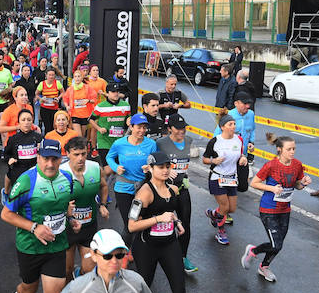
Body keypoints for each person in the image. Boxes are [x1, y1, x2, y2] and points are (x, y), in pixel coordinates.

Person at [1, 138, 80, 293]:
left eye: (55, 159)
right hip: (30, 247)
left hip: (56, 246)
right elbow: (6, 214)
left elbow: (64, 207)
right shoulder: (27, 181)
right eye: (45, 158)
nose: (50, 164)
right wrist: (34, 227)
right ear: (38, 158)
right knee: (29, 289)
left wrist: (70, 219)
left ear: (61, 159)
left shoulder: (67, 178)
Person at [128, 151, 192, 293]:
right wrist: (158, 219)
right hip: (147, 247)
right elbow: (131, 226)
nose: (165, 170)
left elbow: (169, 212)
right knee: (143, 292)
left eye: (168, 167)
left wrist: (177, 221)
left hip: (169, 244)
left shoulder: (173, 189)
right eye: (161, 167)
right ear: (151, 169)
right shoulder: (144, 193)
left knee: (179, 288)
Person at [240, 134, 312, 283]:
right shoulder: (271, 165)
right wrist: (272, 188)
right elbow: (254, 183)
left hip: (285, 210)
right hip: (268, 209)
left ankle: (264, 267)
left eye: (294, 149)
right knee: (275, 244)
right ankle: (253, 251)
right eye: (289, 149)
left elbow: (296, 185)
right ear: (279, 150)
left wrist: (303, 183)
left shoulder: (297, 165)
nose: (292, 152)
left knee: (278, 245)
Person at [105, 113, 157, 246]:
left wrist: (150, 168)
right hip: (124, 188)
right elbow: (109, 157)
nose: (142, 130)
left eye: (144, 127)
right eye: (139, 127)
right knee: (130, 222)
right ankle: (124, 252)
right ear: (131, 126)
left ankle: (137, 249)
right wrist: (116, 167)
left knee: (140, 220)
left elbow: (155, 162)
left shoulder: (151, 144)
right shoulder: (119, 143)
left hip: (143, 189)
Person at [155, 114, 198, 274]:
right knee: (162, 223)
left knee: (185, 223)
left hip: (182, 188)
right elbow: (152, 161)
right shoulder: (161, 143)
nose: (182, 131)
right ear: (169, 129)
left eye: (183, 128)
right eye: (178, 128)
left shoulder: (189, 141)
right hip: (164, 189)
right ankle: (158, 254)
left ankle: (183, 257)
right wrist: (167, 170)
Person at [61, 136, 109, 278]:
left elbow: (104, 186)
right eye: (76, 154)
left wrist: (103, 205)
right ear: (68, 154)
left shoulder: (95, 168)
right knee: (66, 270)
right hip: (67, 229)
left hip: (88, 226)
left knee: (89, 269)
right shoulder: (60, 172)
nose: (80, 158)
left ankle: (79, 275)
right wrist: (64, 207)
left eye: (83, 154)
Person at [202, 114, 247, 246]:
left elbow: (241, 154)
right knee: (225, 207)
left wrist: (243, 158)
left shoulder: (239, 139)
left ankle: (213, 214)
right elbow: (204, 159)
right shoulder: (215, 141)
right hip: (217, 177)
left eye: (234, 124)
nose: (233, 126)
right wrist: (213, 160)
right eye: (230, 124)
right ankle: (221, 232)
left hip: (231, 178)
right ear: (222, 127)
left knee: (231, 209)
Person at [90, 83, 131, 177]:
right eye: (113, 92)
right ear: (107, 93)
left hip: (119, 141)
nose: (116, 94)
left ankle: (112, 187)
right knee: (108, 170)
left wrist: (129, 122)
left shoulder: (126, 105)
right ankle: (102, 185)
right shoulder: (100, 106)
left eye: (117, 91)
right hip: (104, 141)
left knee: (118, 169)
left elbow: (128, 120)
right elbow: (91, 119)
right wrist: (99, 129)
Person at [4, 109, 42, 196]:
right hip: (18, 171)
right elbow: (6, 154)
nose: (26, 122)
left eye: (29, 120)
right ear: (18, 122)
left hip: (35, 171)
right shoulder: (13, 139)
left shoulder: (38, 137)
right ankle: (6, 194)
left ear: (32, 121)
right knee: (19, 198)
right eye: (23, 120)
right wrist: (10, 159)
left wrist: (41, 150)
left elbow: (45, 156)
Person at [213, 93, 256, 157]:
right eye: (244, 104)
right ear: (236, 103)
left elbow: (252, 129)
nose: (248, 106)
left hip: (243, 155)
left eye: (249, 103)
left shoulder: (251, 114)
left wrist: (251, 142)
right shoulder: (229, 115)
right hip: (228, 155)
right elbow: (217, 134)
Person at [62, 67, 98, 138]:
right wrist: (67, 106)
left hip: (85, 114)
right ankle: (81, 148)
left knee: (83, 135)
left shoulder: (87, 88)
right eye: (75, 76)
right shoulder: (70, 89)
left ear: (82, 78)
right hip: (75, 114)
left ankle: (84, 148)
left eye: (79, 76)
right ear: (73, 78)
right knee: (79, 135)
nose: (77, 78)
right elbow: (65, 98)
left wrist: (88, 100)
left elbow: (94, 99)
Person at [35, 68, 64, 133]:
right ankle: (47, 140)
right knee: (47, 127)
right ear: (46, 75)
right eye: (49, 75)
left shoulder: (57, 83)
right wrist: (41, 99)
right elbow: (36, 94)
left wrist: (58, 98)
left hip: (54, 108)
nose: (51, 76)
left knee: (53, 126)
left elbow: (63, 92)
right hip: (44, 108)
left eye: (53, 75)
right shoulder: (42, 84)